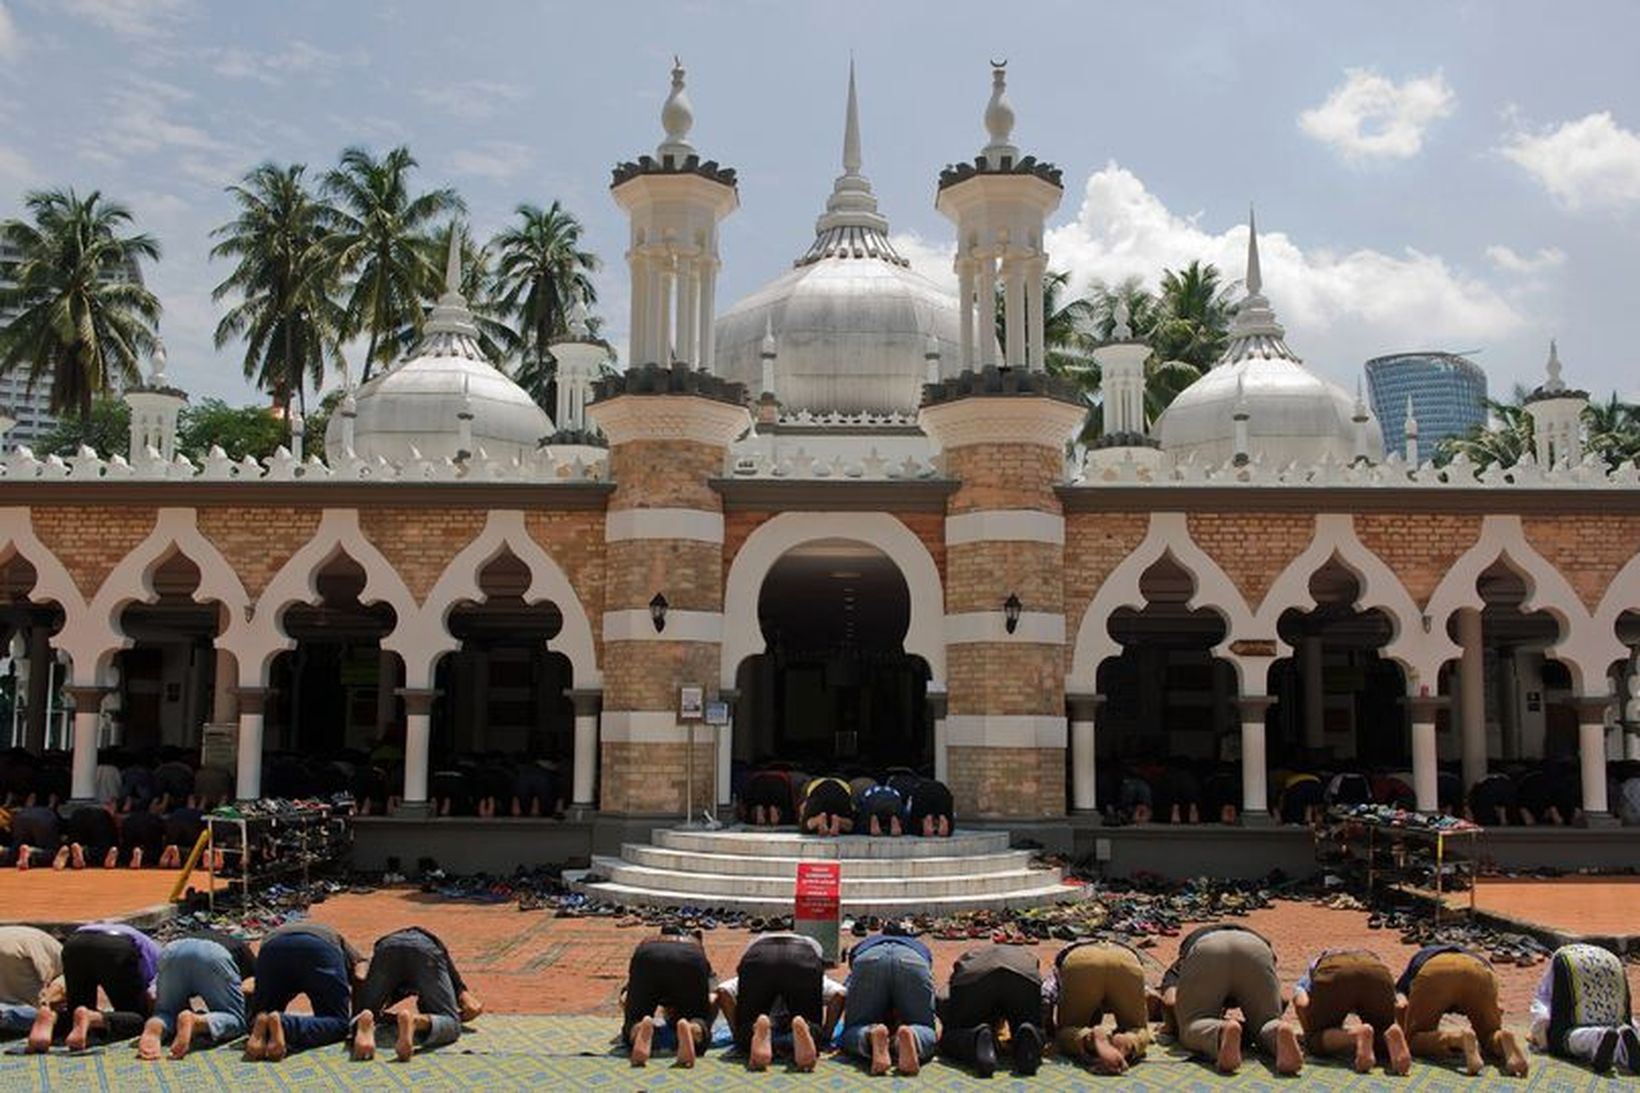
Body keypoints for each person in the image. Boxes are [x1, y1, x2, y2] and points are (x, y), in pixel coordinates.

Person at [1169, 924, 1302, 1074]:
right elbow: (1283, 998)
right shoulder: (1252, 935)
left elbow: (1170, 1001)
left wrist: (1174, 1024)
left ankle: (1221, 1031)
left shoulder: (1180, 963)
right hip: (1256, 947)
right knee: (1266, 1022)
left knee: (1193, 1023)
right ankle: (1277, 1030)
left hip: (1208, 948)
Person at [351, 926, 483, 1061]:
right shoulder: (436, 959)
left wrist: (363, 1008)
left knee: (364, 1013)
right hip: (425, 948)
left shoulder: (394, 988)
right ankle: (415, 1021)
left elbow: (360, 978)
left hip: (387, 947)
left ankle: (364, 1023)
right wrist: (460, 1007)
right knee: (451, 1024)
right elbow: (470, 1003)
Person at [715, 931, 842, 1072]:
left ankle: (755, 1030)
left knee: (749, 1026)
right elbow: (839, 994)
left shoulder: (757, 947)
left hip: (760, 956)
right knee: (810, 1026)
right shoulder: (811, 953)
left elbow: (723, 991)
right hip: (801, 955)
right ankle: (807, 1029)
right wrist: (825, 1037)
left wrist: (737, 1036)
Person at [1397, 944, 1529, 1076]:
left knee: (1413, 1039)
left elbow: (1400, 1000)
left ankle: (1457, 1039)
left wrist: (1404, 1024)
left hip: (1437, 969)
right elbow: (1498, 1006)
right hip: (1479, 969)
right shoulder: (1471, 954)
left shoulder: (1419, 959)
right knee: (1489, 1033)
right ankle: (1501, 1038)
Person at [26, 922, 160, 1052]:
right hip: (116, 947)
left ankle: (52, 1018)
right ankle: (92, 1018)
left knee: (77, 1010)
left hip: (75, 942)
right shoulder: (160, 957)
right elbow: (152, 993)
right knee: (138, 1019)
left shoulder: (147, 943)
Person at [247, 921, 363, 1060]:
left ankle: (262, 1021)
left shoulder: (278, 932)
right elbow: (360, 972)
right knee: (338, 1023)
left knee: (262, 1014)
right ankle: (285, 1024)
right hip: (319, 947)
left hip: (272, 946)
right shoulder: (338, 940)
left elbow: (250, 985)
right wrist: (362, 1009)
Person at [136, 929, 255, 1060]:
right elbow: (253, 986)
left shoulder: (222, 940)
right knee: (236, 1019)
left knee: (167, 1011)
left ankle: (157, 1024)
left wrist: (159, 1008)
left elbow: (152, 994)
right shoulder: (244, 952)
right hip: (214, 955)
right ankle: (197, 1021)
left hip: (173, 950)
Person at [1292, 948, 1410, 1074]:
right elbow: (1400, 1005)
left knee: (1316, 1039)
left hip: (1334, 973)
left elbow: (1301, 1003)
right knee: (1381, 1029)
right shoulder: (1370, 957)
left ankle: (1356, 1035)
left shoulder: (1315, 965)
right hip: (1376, 971)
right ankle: (1390, 1033)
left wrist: (1310, 1034)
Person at [1528, 943, 1638, 1074]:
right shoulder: (1612, 957)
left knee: (1567, 1038)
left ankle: (1599, 1037)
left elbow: (1543, 1014)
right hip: (1610, 962)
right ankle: (1632, 1040)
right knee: (1623, 1029)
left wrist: (1539, 1036)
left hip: (1573, 963)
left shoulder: (1557, 964)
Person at [1045, 939, 1149, 1074]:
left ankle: (1090, 1038)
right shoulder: (1115, 947)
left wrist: (1050, 1030)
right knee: (1138, 1028)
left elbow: (1045, 995)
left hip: (1081, 960)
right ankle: (1128, 1041)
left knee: (1067, 1031)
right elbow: (1148, 994)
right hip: (1126, 957)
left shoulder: (1060, 966)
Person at [840, 929, 937, 1076]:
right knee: (924, 1025)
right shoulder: (918, 945)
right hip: (913, 960)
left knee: (854, 1027)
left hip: (868, 957)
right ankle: (912, 1036)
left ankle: (870, 1036)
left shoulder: (867, 942)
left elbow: (846, 990)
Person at [939, 944, 1044, 1077]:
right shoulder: (1026, 956)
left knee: (952, 1037)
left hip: (973, 975)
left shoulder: (968, 961)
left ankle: (974, 1038)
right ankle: (1028, 1042)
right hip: (1024, 972)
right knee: (1030, 1025)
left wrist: (951, 1023)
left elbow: (942, 997)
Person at [622, 926, 714, 1067]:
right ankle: (691, 1029)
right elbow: (712, 997)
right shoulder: (695, 946)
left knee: (635, 1019)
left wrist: (631, 1011)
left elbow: (625, 996)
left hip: (647, 956)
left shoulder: (649, 942)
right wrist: (704, 1020)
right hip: (690, 958)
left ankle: (639, 1028)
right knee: (697, 1016)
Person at [0, 926, 62, 1038]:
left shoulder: (44, 940)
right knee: (43, 1010)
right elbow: (46, 972)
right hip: (19, 953)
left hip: (14, 947)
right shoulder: (61, 954)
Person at [6, 804, 60, 870]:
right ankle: (32, 853)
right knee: (53, 851)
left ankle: (7, 854)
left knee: (16, 850)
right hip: (44, 816)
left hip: (20, 816)